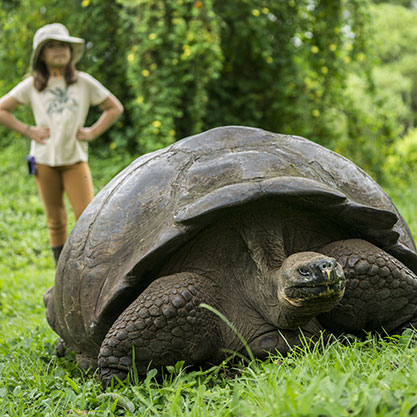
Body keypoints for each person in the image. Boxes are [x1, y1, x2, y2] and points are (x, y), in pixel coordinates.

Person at [0, 23, 124, 264]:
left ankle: (88, 268)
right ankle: (61, 273)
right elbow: (2, 109)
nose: (59, 50)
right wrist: (28, 130)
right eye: (52, 46)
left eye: (63, 46)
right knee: (55, 220)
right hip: (44, 160)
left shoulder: (83, 82)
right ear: (41, 55)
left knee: (87, 217)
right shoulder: (33, 85)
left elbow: (114, 107)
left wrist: (92, 132)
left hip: (75, 159)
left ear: (71, 52)